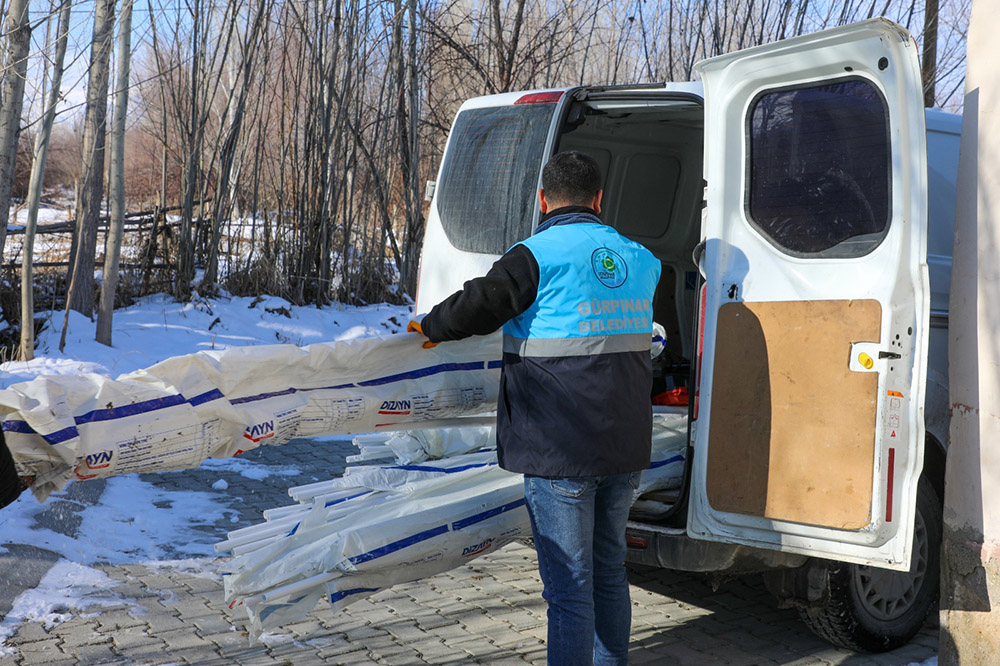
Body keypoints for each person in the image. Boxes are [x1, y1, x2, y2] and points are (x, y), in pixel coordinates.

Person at [409, 151, 661, 665]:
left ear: (543, 200)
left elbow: (482, 303)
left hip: (560, 448)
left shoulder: (536, 255)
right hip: (625, 448)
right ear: (599, 199)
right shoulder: (640, 259)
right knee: (610, 573)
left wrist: (432, 326)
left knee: (570, 588)